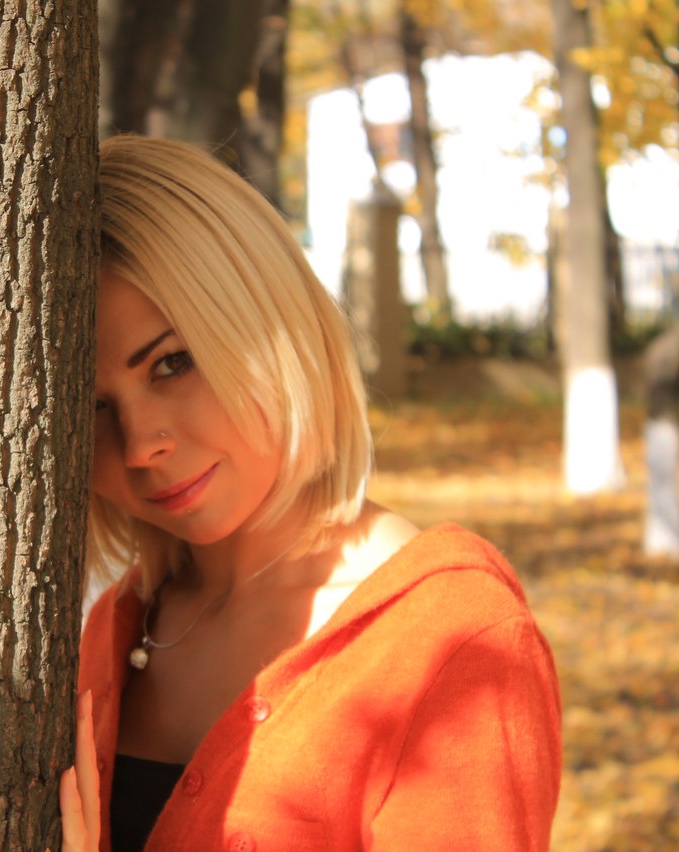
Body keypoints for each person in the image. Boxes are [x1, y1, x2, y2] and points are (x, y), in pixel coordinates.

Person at [60, 135, 561, 851]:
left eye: (173, 363)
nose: (140, 446)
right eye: (92, 406)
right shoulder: (115, 627)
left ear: (270, 325)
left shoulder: (451, 640)